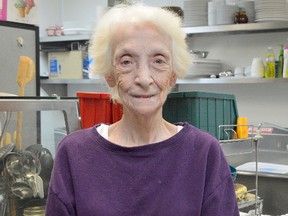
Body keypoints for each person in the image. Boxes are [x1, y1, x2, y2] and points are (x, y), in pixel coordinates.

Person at [46, 3, 239, 216]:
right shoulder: (74, 154)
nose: (144, 79)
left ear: (173, 74)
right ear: (109, 74)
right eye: (127, 61)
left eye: (158, 60)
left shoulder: (204, 153)